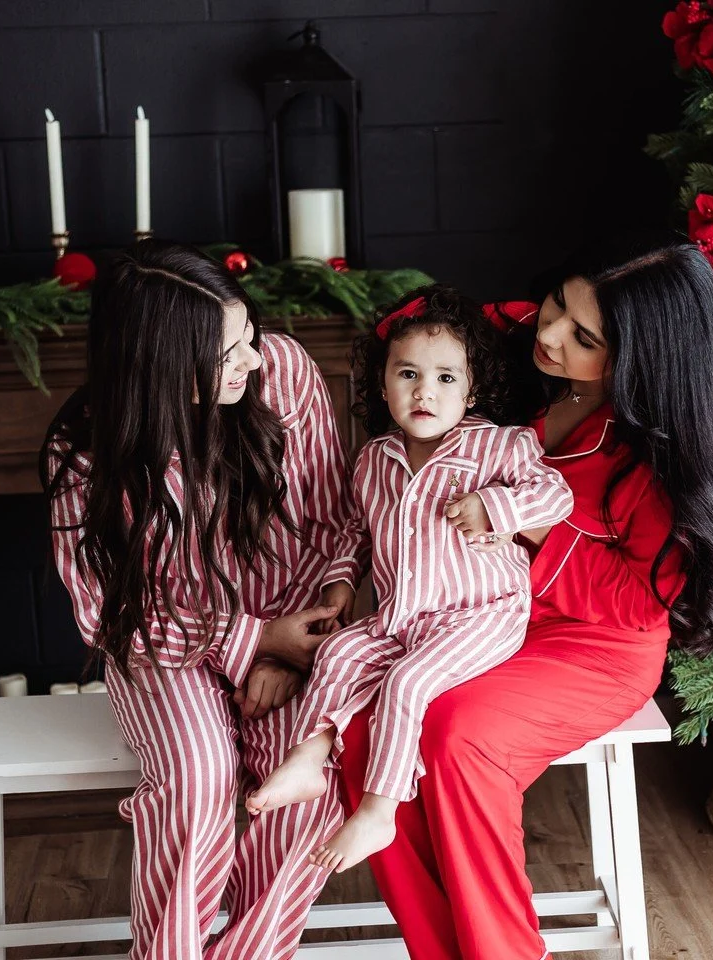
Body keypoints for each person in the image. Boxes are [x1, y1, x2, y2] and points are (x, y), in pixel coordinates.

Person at [336, 236, 713, 960]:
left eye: (583, 338)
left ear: (638, 361)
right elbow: (421, 357)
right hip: (475, 615)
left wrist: (531, 525)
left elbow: (638, 603)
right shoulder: (516, 358)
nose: (550, 333)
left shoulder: (657, 451)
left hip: (596, 645)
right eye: (557, 304)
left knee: (458, 735)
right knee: (362, 729)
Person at [42, 240, 363, 960]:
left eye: (249, 333)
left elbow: (332, 523)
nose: (253, 358)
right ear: (157, 364)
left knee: (315, 772)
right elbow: (106, 617)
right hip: (163, 651)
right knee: (198, 775)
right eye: (227, 353)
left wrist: (292, 649)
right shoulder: (87, 451)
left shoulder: (283, 373)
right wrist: (252, 640)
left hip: (294, 631)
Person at [245, 287, 574, 874]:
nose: (425, 391)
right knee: (339, 654)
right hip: (402, 616)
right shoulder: (374, 461)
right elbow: (355, 530)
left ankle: (378, 810)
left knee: (406, 683)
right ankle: (309, 757)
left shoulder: (499, 445)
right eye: (408, 374)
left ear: (471, 389)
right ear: (382, 385)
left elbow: (555, 496)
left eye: (446, 378)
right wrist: (341, 583)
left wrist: (495, 507)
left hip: (482, 612)